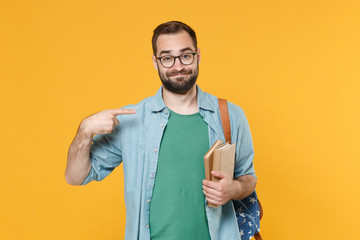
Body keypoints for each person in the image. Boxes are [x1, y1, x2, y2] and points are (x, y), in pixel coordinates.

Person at [65, 21, 257, 240]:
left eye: (185, 56)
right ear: (155, 62)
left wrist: (233, 189)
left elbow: (248, 177)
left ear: (198, 56)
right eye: (167, 58)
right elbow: (75, 177)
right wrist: (84, 130)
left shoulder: (230, 115)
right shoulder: (131, 121)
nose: (178, 66)